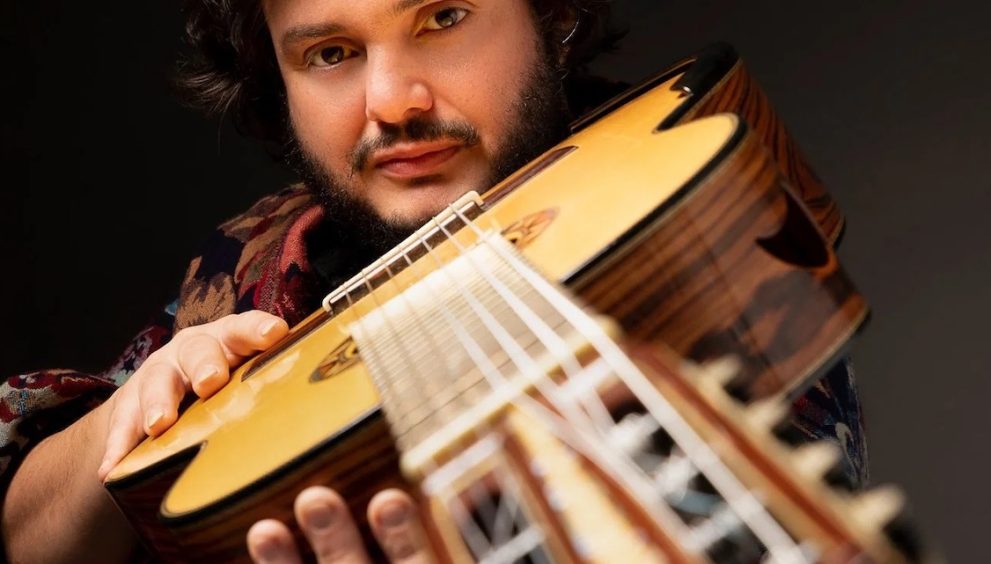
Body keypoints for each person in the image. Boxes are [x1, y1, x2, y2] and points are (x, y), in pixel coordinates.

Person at [0, 0, 869, 561]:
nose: (394, 102)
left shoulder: (675, 196)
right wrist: (129, 420)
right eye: (332, 53)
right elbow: (25, 532)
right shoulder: (252, 256)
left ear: (553, 17)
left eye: (442, 16)